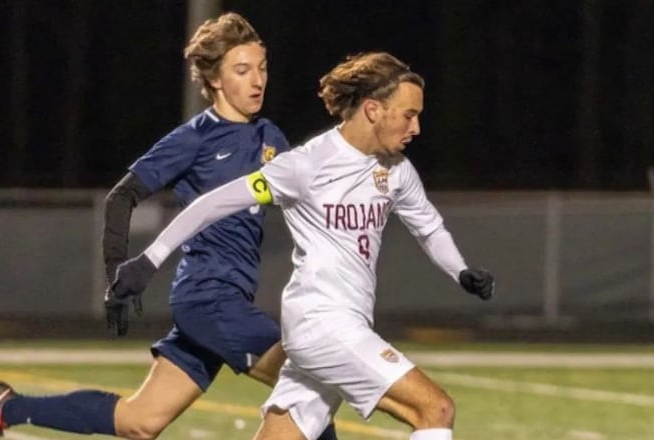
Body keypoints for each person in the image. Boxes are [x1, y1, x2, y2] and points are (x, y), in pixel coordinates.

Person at [0, 12, 338, 440]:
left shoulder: (271, 138)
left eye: (262, 68)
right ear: (214, 79)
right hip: (209, 300)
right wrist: (117, 275)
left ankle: (6, 407)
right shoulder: (195, 138)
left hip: (226, 301)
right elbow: (122, 197)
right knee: (309, 388)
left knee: (140, 421)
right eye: (242, 70)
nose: (258, 80)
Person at [109, 52, 495, 440]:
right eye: (409, 115)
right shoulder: (307, 165)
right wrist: (149, 260)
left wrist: (460, 271)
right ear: (373, 110)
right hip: (323, 324)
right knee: (435, 409)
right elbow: (213, 203)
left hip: (341, 323)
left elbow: (429, 228)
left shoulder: (396, 171)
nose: (417, 127)